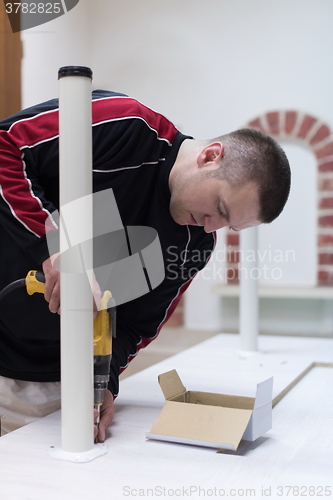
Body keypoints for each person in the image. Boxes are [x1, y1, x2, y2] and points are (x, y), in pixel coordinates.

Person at [0, 90, 291, 440]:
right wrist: (57, 249)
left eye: (227, 225)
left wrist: (103, 385)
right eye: (221, 208)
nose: (211, 227)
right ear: (210, 157)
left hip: (54, 385)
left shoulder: (195, 244)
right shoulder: (124, 125)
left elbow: (135, 326)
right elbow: (5, 147)